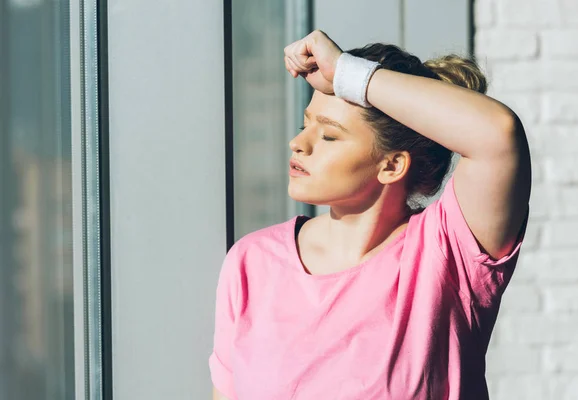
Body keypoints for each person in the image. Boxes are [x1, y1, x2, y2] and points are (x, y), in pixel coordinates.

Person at [210, 30, 531, 400]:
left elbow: (497, 135)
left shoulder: (446, 257)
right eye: (305, 125)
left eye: (329, 136)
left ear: (392, 165)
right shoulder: (252, 263)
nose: (299, 143)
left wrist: (348, 73)